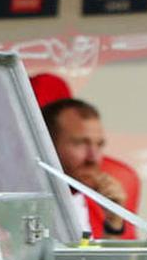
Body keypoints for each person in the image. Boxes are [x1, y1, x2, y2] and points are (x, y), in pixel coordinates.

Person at [42, 98, 135, 240]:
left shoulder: (81, 198)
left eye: (99, 144)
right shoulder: (22, 205)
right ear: (47, 144)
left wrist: (113, 223)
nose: (93, 158)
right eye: (80, 143)